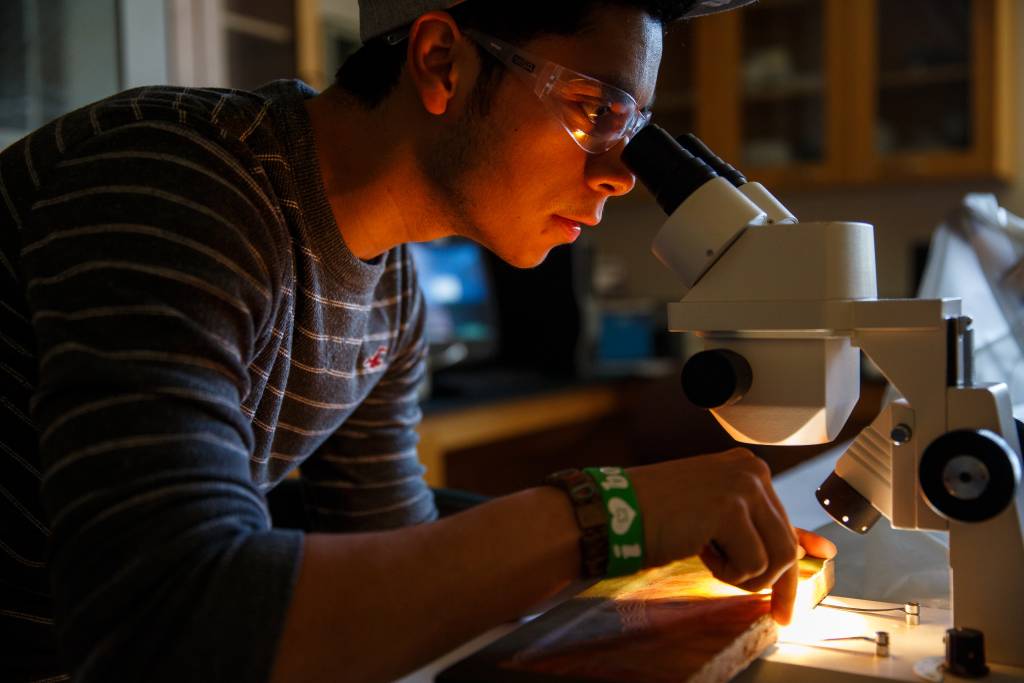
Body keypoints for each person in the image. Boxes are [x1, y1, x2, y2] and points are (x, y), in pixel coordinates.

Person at [0, 1, 836, 681]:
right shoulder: (178, 187)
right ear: (441, 62)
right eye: (596, 110)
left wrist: (657, 543)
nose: (620, 172)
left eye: (635, 128)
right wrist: (613, 516)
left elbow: (386, 542)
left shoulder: (388, 288)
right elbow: (173, 623)